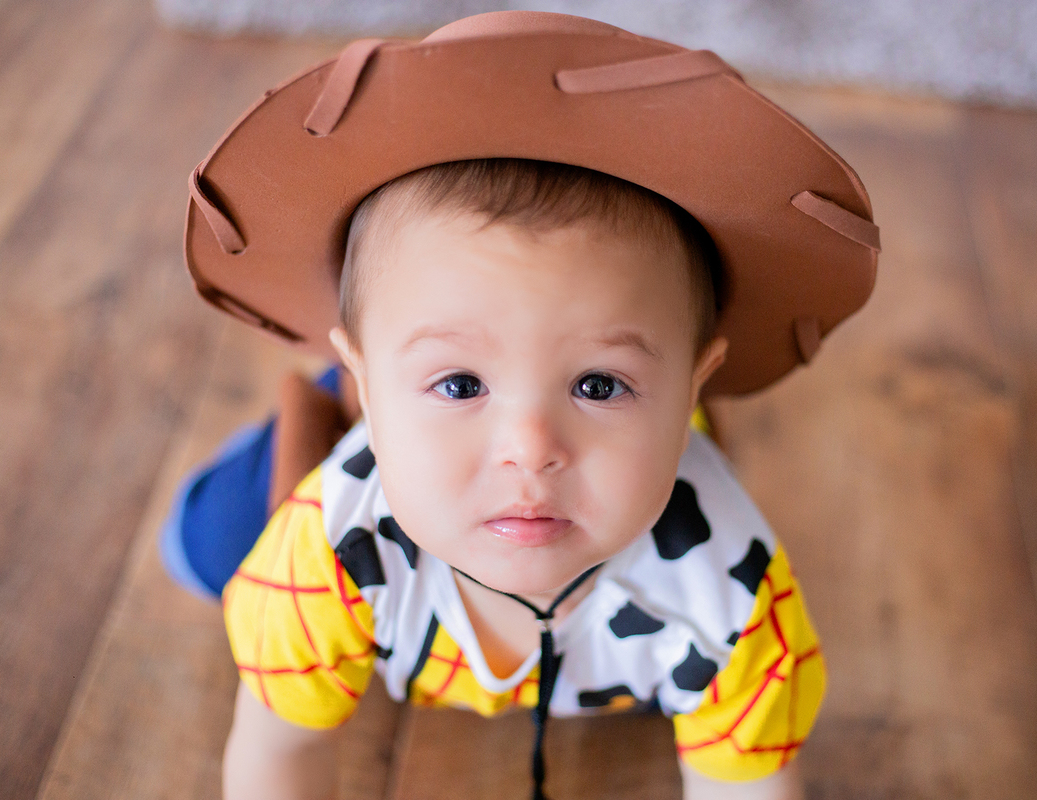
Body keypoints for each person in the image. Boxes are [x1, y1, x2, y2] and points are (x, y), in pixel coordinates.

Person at [175, 10, 880, 800]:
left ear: (691, 386)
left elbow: (748, 786)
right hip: (364, 471)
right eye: (463, 384)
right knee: (208, 547)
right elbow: (278, 757)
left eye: (598, 384)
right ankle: (335, 404)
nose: (531, 447)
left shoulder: (733, 601)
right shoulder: (326, 551)